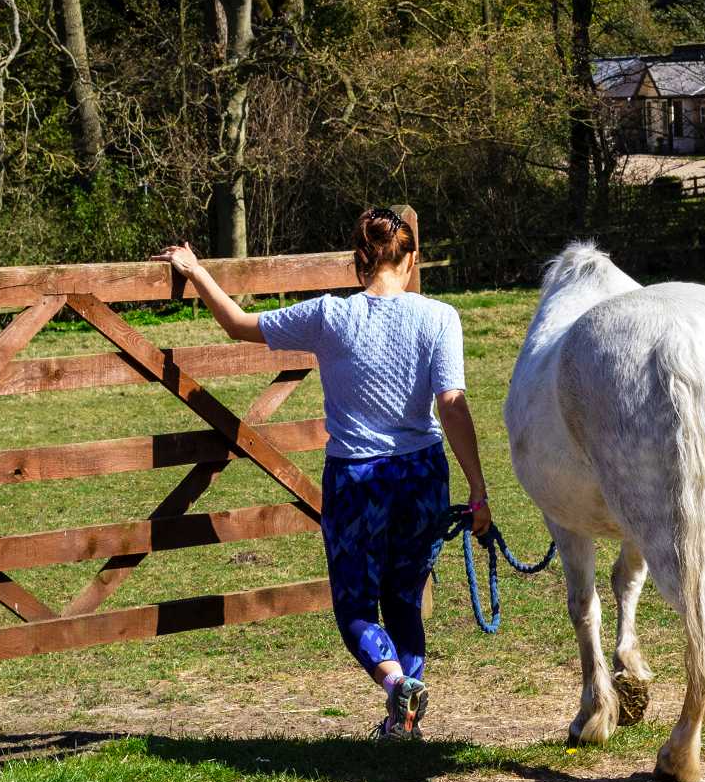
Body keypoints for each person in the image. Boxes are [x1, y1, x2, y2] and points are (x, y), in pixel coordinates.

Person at [152, 208, 491, 740]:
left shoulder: (330, 316)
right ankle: (405, 710)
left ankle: (396, 685)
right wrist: (477, 488)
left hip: (357, 479)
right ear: (413, 259)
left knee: (355, 606)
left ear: (358, 260)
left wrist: (196, 271)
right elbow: (450, 401)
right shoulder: (440, 317)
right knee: (405, 597)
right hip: (423, 474)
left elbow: (238, 325)